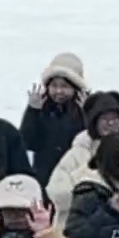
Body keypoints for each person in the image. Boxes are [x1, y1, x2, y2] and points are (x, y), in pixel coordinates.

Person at [21, 53, 89, 185]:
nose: (59, 91)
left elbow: (92, 143)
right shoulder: (41, 109)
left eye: (64, 86)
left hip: (75, 178)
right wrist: (32, 111)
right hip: (44, 179)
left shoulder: (83, 111)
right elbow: (26, 142)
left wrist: (88, 115)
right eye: (54, 86)